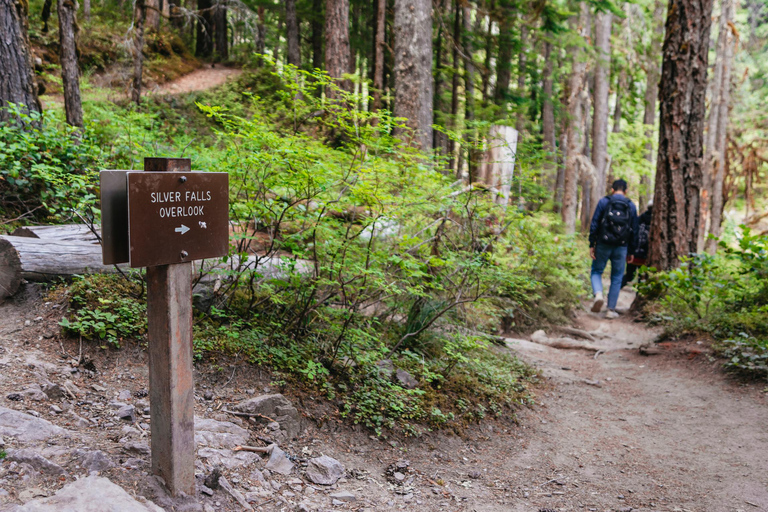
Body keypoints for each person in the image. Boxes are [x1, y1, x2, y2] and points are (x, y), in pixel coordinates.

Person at [588, 179, 639, 318]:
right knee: (616, 277)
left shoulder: (604, 202)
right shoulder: (630, 206)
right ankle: (611, 310)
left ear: (612, 189)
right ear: (626, 191)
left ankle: (598, 294)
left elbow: (594, 224)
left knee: (596, 271)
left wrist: (592, 243)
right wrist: (632, 251)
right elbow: (635, 230)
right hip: (622, 246)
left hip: (603, 244)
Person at [622, 202, 652, 288]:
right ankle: (639, 296)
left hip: (633, 253)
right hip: (645, 256)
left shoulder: (639, 219)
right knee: (642, 277)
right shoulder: (656, 221)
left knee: (629, 276)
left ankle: (614, 291)